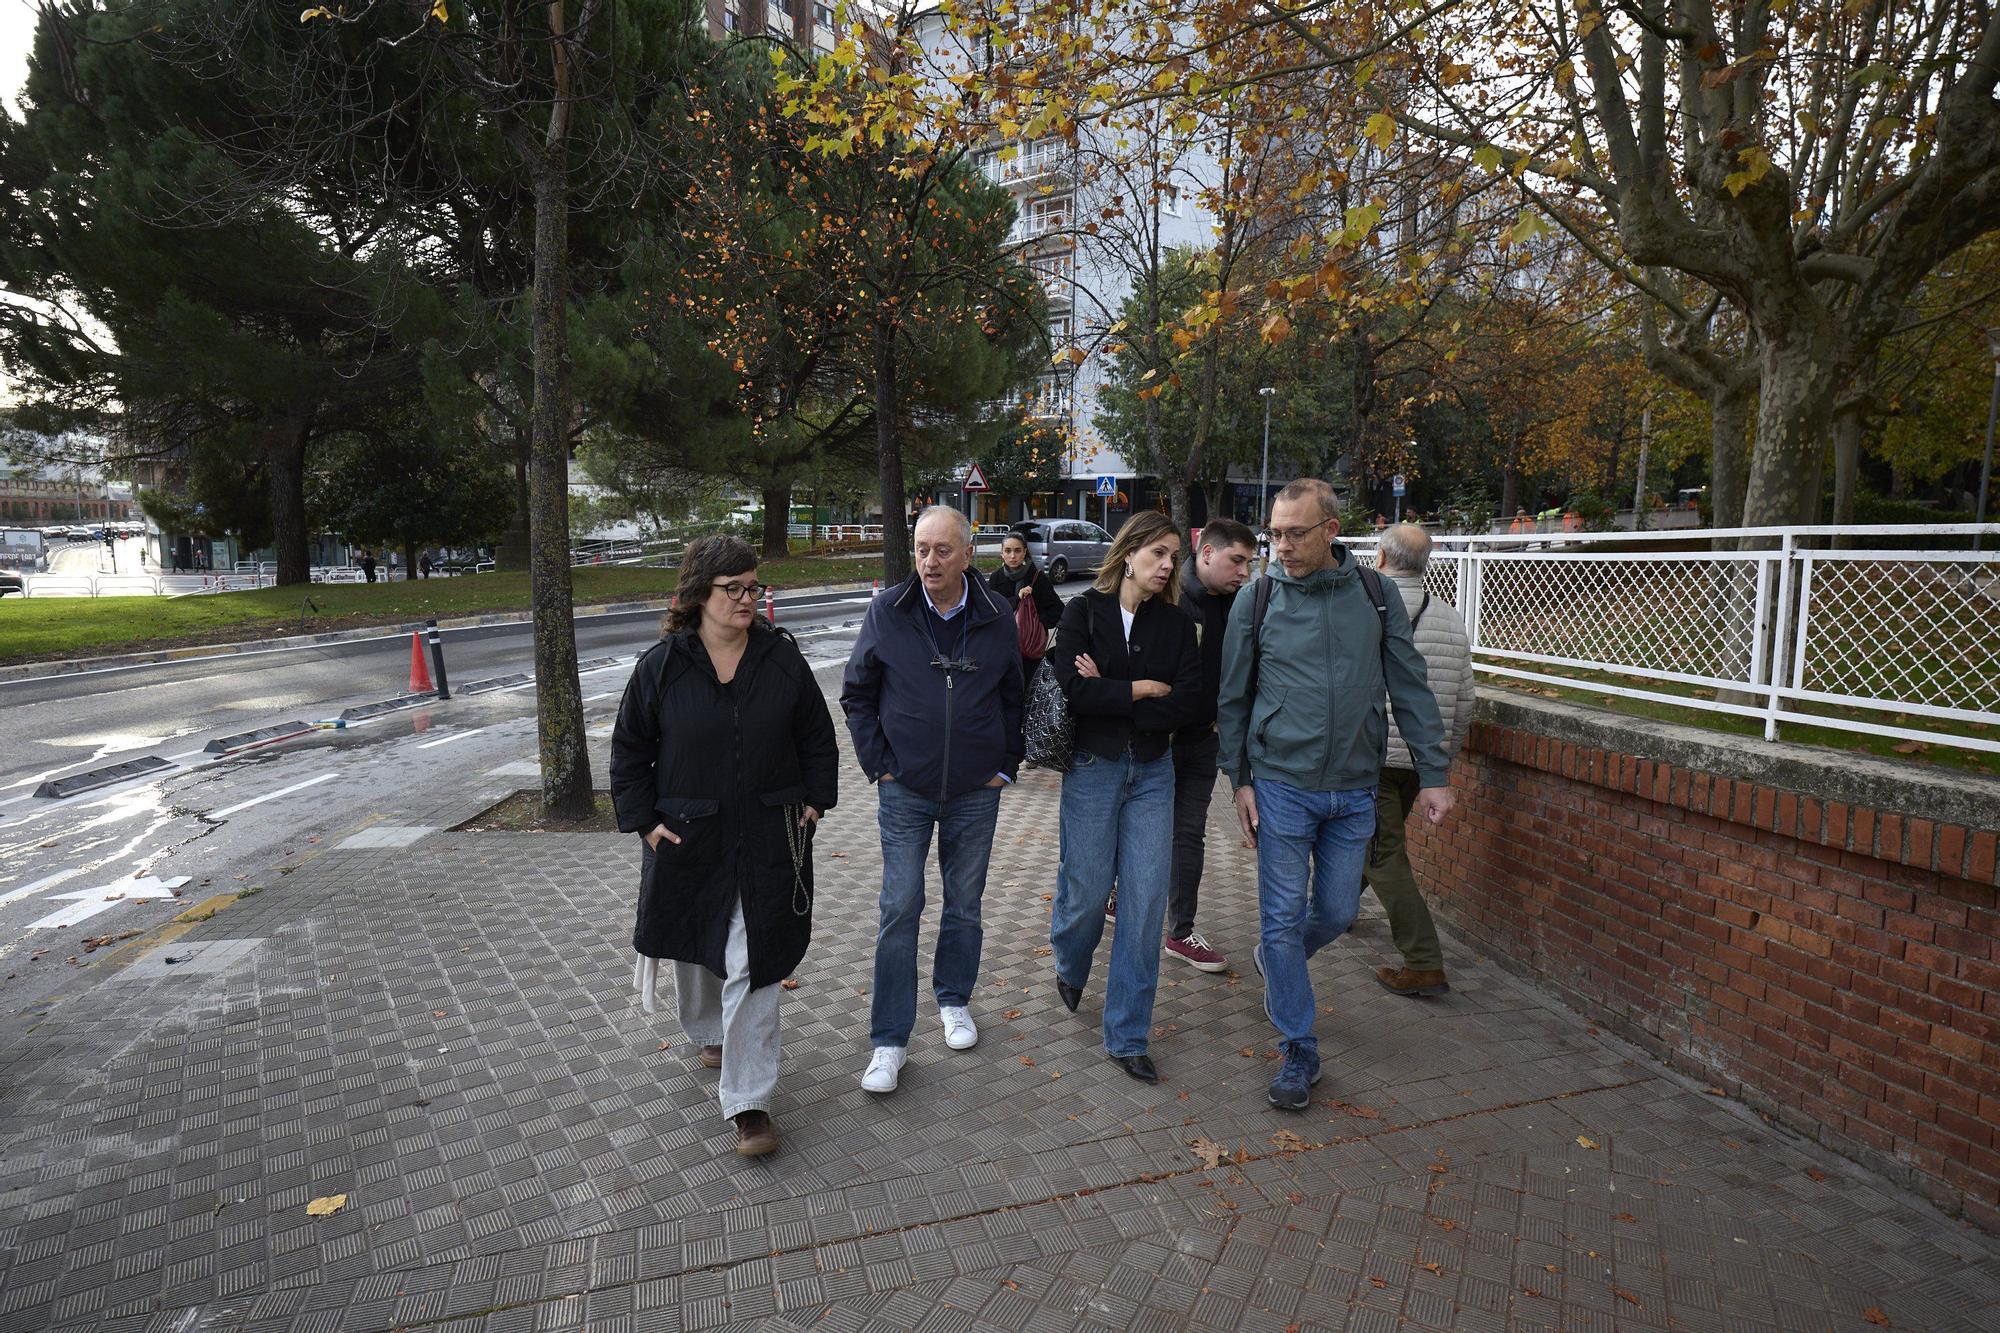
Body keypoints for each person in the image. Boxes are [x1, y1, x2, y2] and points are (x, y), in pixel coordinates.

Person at [1216, 478, 1454, 1111]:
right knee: (1282, 915)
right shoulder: (1258, 599)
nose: (1282, 545)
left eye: (1296, 533)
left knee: (1337, 913)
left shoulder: (1375, 598)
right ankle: (1299, 1045)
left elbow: (1410, 686)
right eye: (1275, 532)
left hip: (1355, 788)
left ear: (1331, 530)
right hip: (1281, 785)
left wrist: (1433, 773)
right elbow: (1233, 698)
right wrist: (1238, 779)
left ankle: (1277, 958)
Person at [610, 534, 839, 1158]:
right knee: (695, 947)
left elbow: (816, 735)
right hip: (689, 834)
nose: (746, 599)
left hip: (770, 834)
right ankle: (708, 1031)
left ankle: (749, 1102)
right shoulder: (661, 667)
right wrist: (644, 822)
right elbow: (630, 749)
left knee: (754, 962)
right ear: (698, 596)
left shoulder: (781, 660)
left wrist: (817, 797)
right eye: (731, 589)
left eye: (752, 587)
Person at [841, 505, 1025, 1094]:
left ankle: (953, 1001)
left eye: (942, 550)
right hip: (907, 790)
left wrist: (1006, 765)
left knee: (964, 904)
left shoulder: (998, 615)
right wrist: (881, 766)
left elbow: (1015, 698)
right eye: (921, 549)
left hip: (977, 790)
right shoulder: (888, 610)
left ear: (970, 554)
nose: (929, 561)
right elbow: (856, 695)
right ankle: (889, 1042)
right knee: (899, 906)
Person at [1047, 510, 1202, 1083]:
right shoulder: (1083, 611)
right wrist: (1139, 687)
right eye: (1158, 553)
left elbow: (1185, 702)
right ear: (1130, 552)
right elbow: (1072, 692)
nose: (1167, 565)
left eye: (1173, 558)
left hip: (1154, 771)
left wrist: (1108, 688)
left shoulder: (1177, 624)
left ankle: (1128, 1034)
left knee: (1142, 904)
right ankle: (1069, 957)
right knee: (1086, 891)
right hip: (1094, 767)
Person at [1361, 524, 1477, 999]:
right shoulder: (1451, 619)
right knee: (1374, 844)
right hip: (1421, 763)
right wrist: (1444, 755)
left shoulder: (1366, 610)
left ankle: (1424, 961)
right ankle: (1338, 910)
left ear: (1382, 560)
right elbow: (1466, 698)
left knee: (1382, 854)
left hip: (1372, 755)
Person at [1162, 516, 1258, 972]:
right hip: (1154, 742)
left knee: (1188, 832)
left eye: (1249, 563)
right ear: (1206, 554)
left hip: (1202, 741)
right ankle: (1115, 892)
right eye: (1236, 561)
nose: (1244, 572)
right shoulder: (1167, 594)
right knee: (1137, 824)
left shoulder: (1241, 603)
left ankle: (1180, 931)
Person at [987, 531, 1063, 660]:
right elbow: (990, 610)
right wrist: (1017, 598)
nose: (1012, 556)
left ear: (1024, 552)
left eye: (1017, 551)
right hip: (1001, 647)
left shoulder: (1037, 578)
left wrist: (1035, 622)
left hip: (1029, 648)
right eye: (1008, 551)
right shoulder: (996, 577)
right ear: (1002, 553)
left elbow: (1058, 610)